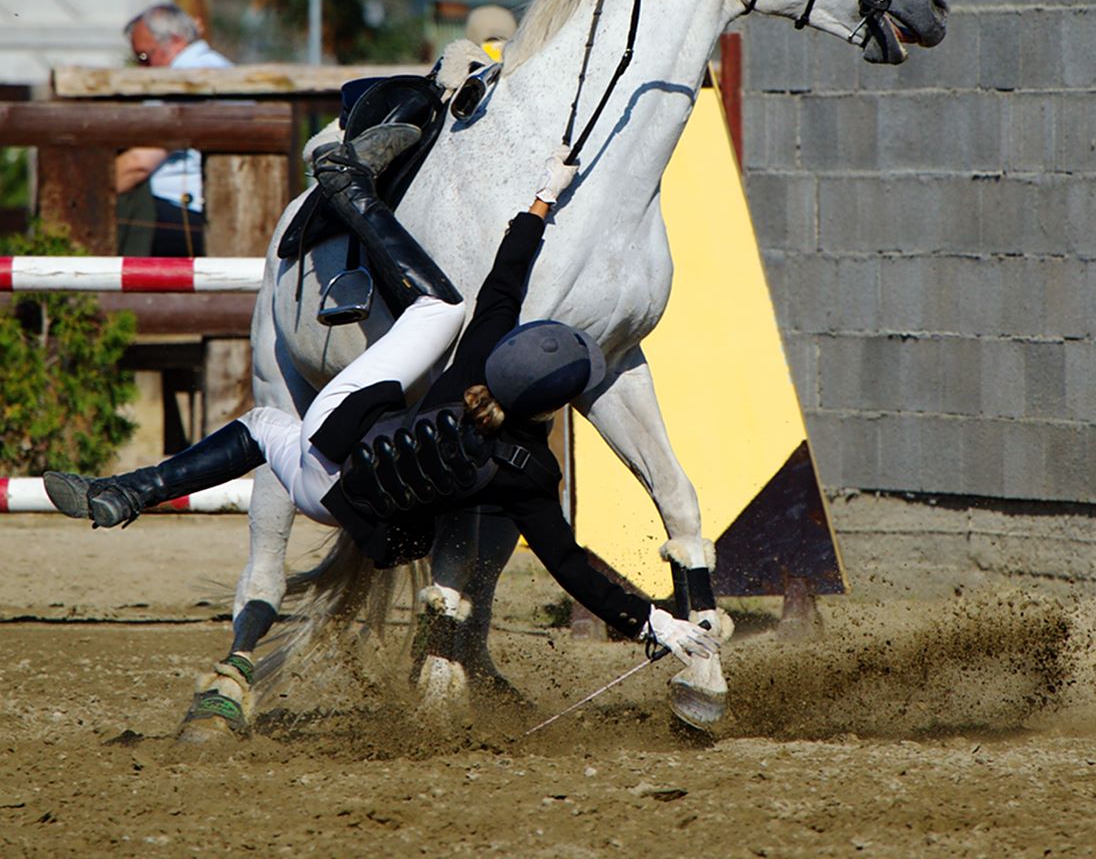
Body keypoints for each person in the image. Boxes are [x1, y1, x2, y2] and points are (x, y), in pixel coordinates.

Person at [45, 128, 717, 669]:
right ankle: (134, 490)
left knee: (438, 310)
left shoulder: (478, 357)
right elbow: (570, 567)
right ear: (551, 409)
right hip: (350, 515)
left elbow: (506, 277)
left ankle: (349, 191)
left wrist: (545, 195)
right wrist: (653, 623)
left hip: (328, 452)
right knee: (276, 430)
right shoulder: (532, 475)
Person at [115, 2, 233, 257]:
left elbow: (138, 164)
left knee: (110, 212)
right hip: (217, 205)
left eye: (144, 57)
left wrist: (93, 194)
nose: (141, 69)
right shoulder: (219, 66)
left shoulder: (186, 77)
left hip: (185, 210)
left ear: (176, 41)